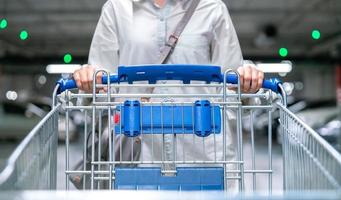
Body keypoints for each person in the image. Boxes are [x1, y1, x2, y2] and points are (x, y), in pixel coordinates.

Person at [72, 0, 264, 190]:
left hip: (202, 155)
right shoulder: (117, 9)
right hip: (137, 157)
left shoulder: (212, 8)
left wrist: (245, 81)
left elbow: (230, 82)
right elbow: (101, 80)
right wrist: (91, 81)